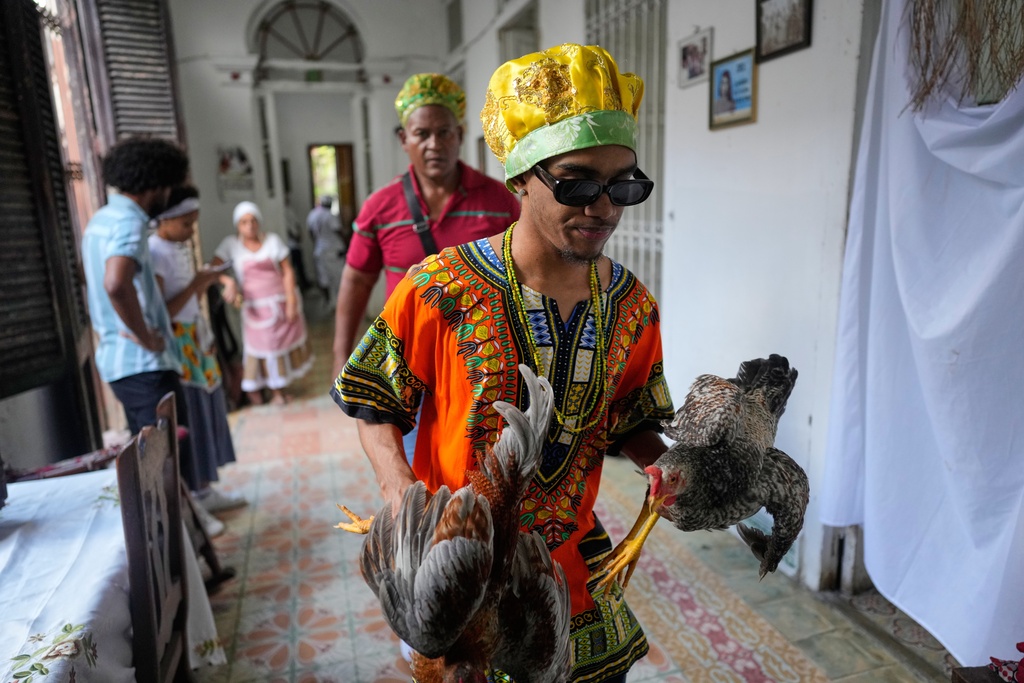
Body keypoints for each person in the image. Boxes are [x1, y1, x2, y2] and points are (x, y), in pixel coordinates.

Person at [331, 44, 675, 682]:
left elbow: (631, 418)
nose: (603, 207)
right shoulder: (440, 287)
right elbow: (374, 401)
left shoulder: (633, 305)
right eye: (576, 183)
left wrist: (676, 472)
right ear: (521, 179)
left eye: (624, 185)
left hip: (576, 572)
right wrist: (399, 491)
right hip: (461, 574)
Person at [332, 72, 520, 377]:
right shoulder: (379, 207)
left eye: (445, 132)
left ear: (459, 135)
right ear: (404, 139)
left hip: (484, 365)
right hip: (407, 364)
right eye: (422, 133)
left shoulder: (499, 200)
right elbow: (357, 281)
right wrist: (341, 357)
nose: (435, 144)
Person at [81, 136, 202, 493]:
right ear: (157, 185)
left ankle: (179, 530)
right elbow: (115, 283)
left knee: (152, 457)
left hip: (121, 364)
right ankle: (176, 536)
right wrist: (148, 337)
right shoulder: (130, 222)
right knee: (164, 460)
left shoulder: (101, 220)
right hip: (143, 364)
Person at [149, 185, 246, 536]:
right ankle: (196, 493)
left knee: (207, 409)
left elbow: (187, 296)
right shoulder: (155, 252)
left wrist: (204, 281)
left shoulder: (175, 247)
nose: (192, 231)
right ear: (166, 219)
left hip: (195, 337)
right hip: (179, 342)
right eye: (187, 224)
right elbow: (164, 310)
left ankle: (205, 486)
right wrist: (197, 284)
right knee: (191, 412)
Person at [213, 201, 313, 406]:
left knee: (281, 346)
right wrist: (228, 282)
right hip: (255, 310)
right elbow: (214, 269)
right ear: (237, 225)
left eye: (252, 221)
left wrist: (292, 300)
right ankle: (270, 391)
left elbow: (287, 271)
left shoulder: (273, 241)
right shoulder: (231, 245)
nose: (249, 226)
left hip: (280, 303)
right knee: (265, 348)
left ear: (258, 222)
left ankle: (279, 388)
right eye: (244, 222)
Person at [307, 194, 347, 306]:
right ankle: (340, 303)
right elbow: (338, 230)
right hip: (333, 250)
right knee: (338, 278)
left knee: (323, 278)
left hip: (319, 250)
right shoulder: (330, 216)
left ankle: (329, 302)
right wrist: (346, 243)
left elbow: (310, 233)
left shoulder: (312, 215)